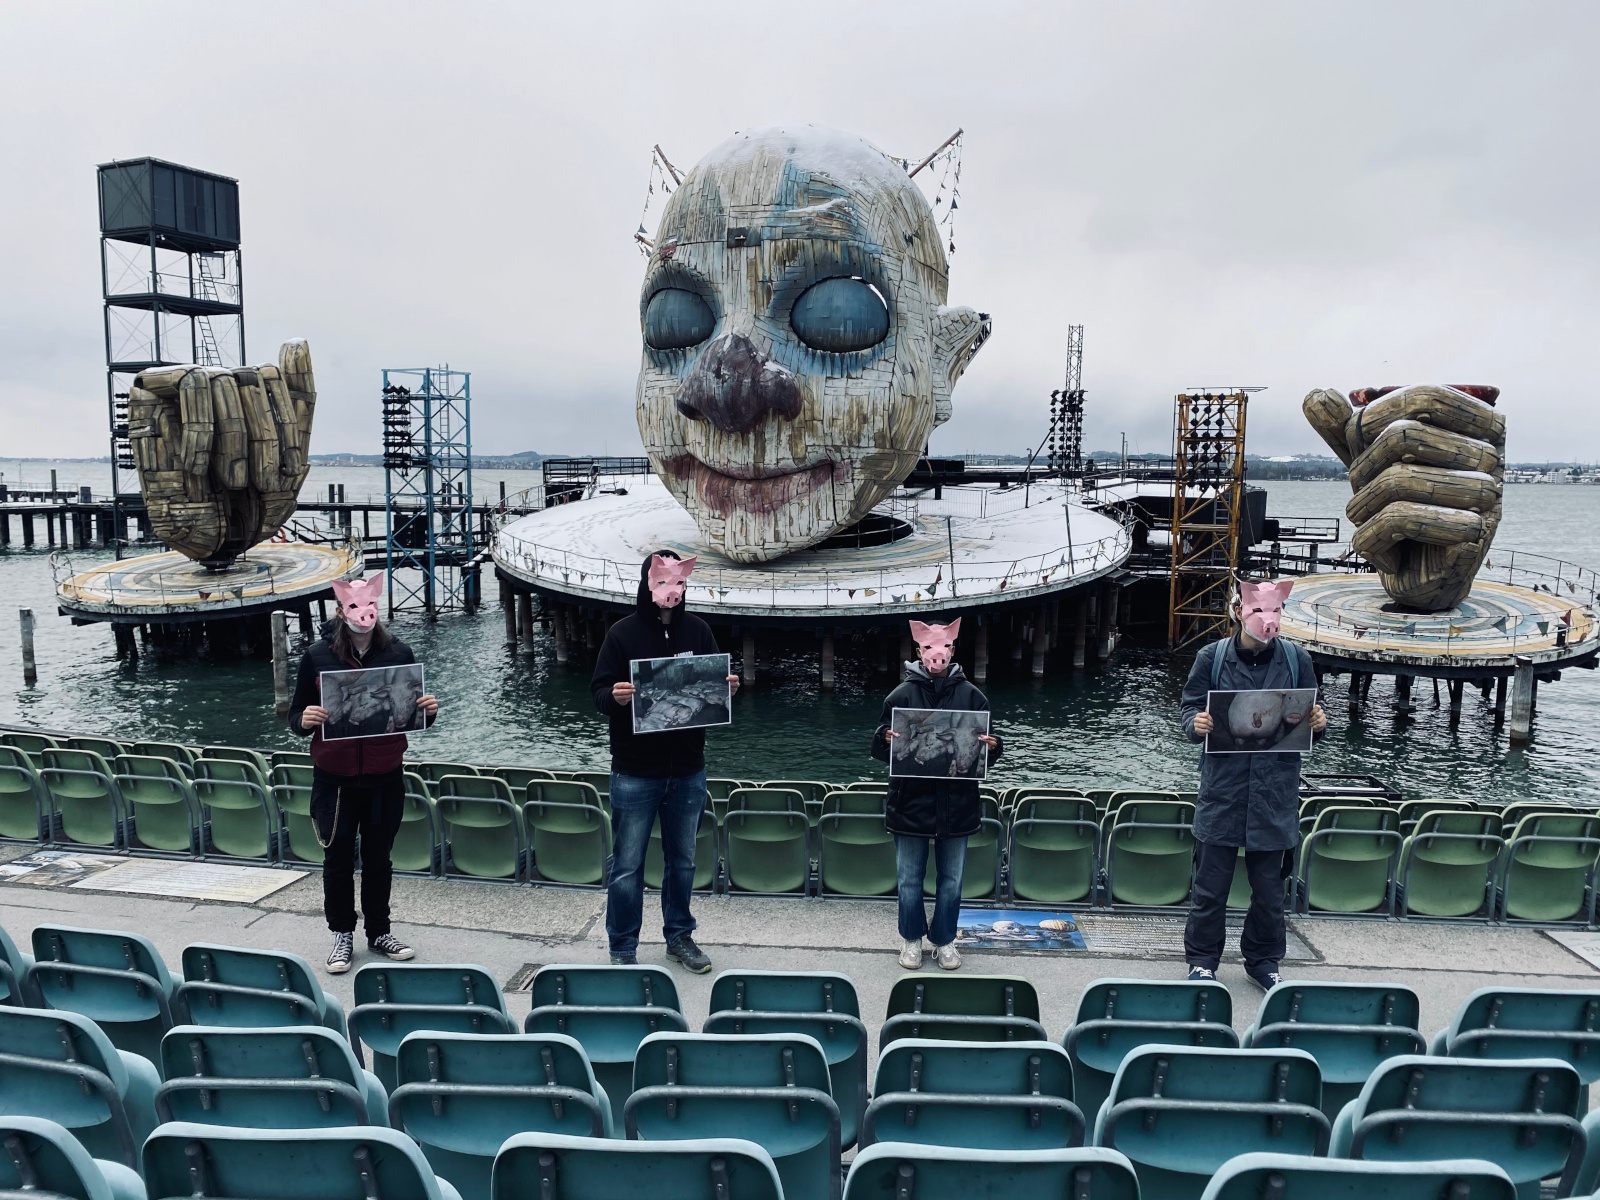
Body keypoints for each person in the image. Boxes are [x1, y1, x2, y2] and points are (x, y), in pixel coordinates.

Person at [590, 551, 739, 973]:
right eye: (662, 583)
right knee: (627, 865)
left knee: (684, 860)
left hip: (689, 769)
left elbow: (715, 694)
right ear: (647, 584)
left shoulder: (700, 630)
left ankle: (679, 937)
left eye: (679, 584)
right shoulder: (621, 634)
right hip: (635, 771)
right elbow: (598, 692)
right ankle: (622, 946)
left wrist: (727, 688)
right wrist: (616, 698)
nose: (671, 591)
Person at [287, 572, 439, 974]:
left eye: (368, 607)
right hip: (333, 780)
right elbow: (294, 713)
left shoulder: (400, 654)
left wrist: (429, 712)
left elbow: (412, 714)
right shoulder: (317, 656)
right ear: (341, 611)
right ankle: (341, 934)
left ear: (377, 609)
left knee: (379, 858)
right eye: (353, 607)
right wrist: (304, 718)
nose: (362, 614)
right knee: (336, 859)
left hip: (384, 774)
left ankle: (379, 931)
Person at [1180, 578, 1327, 991]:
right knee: (1211, 887)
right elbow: (1190, 706)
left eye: (1276, 612)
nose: (1268, 620)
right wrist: (1196, 724)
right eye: (1260, 611)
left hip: (1275, 791)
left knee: (1268, 891)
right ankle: (1203, 960)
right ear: (1239, 612)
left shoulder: (1297, 659)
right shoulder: (1211, 657)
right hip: (1223, 790)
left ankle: (1263, 960)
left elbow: (1315, 712)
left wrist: (1320, 722)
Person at [872, 618, 1003, 971]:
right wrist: (884, 738)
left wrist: (994, 745)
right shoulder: (899, 696)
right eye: (929, 648)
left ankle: (944, 941)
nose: (936, 654)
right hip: (910, 801)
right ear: (919, 652)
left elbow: (988, 750)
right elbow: (880, 749)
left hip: (957, 803)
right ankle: (911, 939)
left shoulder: (974, 696)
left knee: (952, 881)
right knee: (909, 879)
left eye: (942, 648)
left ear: (952, 651)